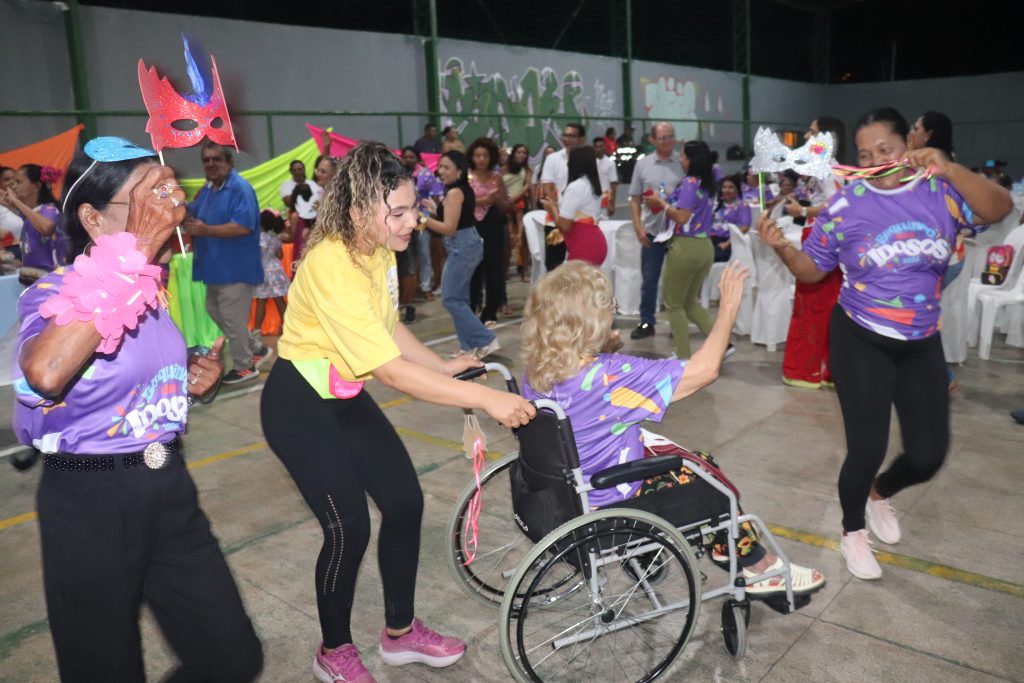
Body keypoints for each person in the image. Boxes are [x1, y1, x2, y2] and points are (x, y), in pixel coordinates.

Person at [259, 141, 536, 683]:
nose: (416, 221)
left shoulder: (377, 249)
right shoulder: (332, 264)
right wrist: (486, 398)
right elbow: (387, 371)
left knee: (405, 503)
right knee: (350, 528)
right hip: (299, 404)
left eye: (415, 208)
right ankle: (333, 651)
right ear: (361, 210)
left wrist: (440, 366)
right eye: (401, 212)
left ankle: (400, 632)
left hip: (342, 394)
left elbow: (385, 326)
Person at [14, 136, 262, 681]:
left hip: (168, 488)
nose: (169, 202)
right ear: (94, 219)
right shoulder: (52, 294)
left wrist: (193, 379)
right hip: (91, 503)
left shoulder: (152, 289)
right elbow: (47, 373)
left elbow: (135, 375)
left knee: (233, 657)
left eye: (168, 187)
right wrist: (142, 244)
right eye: (149, 195)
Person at [758, 107, 1011, 581]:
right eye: (865, 153)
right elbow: (812, 271)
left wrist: (950, 167)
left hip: (921, 341)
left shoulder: (942, 192)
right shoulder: (845, 206)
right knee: (866, 447)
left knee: (928, 454)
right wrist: (780, 245)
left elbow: (1000, 208)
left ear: (909, 148)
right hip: (859, 337)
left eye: (886, 149)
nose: (876, 159)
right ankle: (852, 531)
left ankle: (879, 494)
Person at [520, 261, 825, 596]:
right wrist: (728, 309)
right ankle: (758, 567)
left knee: (695, 461)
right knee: (711, 479)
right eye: (608, 306)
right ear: (591, 322)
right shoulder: (611, 376)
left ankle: (669, 551)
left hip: (569, 490)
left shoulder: (536, 369)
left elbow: (583, 395)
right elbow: (704, 370)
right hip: (612, 495)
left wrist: (600, 348)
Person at [183, 142, 269, 385]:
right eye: (206, 160)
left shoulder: (240, 188)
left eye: (216, 160)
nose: (210, 164)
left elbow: (244, 225)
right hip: (214, 268)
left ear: (229, 163)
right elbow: (192, 214)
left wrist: (205, 229)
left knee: (232, 318)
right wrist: (174, 201)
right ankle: (256, 348)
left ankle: (244, 366)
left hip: (236, 268)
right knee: (215, 311)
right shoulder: (209, 189)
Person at [781, 116, 847, 390]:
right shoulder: (828, 168)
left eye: (812, 132)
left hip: (821, 239)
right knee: (826, 305)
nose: (807, 136)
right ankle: (827, 370)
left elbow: (838, 204)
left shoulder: (827, 169)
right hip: (825, 238)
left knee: (811, 305)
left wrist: (803, 211)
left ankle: (807, 370)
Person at [645, 140, 723, 359]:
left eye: (683, 156)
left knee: (674, 304)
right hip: (705, 246)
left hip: (685, 246)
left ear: (691, 160)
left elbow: (682, 216)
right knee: (689, 302)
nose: (680, 159)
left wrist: (661, 203)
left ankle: (682, 356)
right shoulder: (708, 183)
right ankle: (722, 344)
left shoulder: (690, 182)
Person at [422, 151, 500, 358]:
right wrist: (436, 209)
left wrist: (421, 220)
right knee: (460, 299)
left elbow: (449, 228)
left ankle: (486, 339)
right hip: (466, 244)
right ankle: (468, 346)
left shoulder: (455, 192)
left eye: (447, 167)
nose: (441, 171)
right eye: (440, 166)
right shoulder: (459, 190)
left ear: (459, 170)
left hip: (462, 247)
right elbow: (458, 219)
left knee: (451, 299)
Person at [628, 122, 682, 340]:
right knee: (650, 278)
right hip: (652, 229)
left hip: (678, 230)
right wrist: (638, 227)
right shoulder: (642, 165)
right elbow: (634, 198)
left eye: (671, 137)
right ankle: (647, 321)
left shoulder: (682, 162)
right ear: (652, 140)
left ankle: (677, 323)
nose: (667, 142)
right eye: (662, 138)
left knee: (677, 279)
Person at [466, 137, 509, 327]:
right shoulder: (466, 177)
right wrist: (484, 200)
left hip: (493, 224)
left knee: (494, 269)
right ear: (472, 157)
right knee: (473, 268)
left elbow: (506, 205)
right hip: (472, 224)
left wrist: (497, 200)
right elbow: (462, 203)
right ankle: (472, 305)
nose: (481, 159)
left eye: (485, 155)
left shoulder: (497, 178)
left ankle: (490, 310)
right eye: (477, 155)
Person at [1, 164, 67, 281]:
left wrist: (16, 201)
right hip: (33, 277)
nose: (14, 186)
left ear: (36, 186)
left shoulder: (49, 208)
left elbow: (47, 228)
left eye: (18, 182)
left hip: (52, 278)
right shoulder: (31, 213)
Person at [541, 122, 587, 271]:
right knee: (554, 265)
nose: (567, 139)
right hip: (556, 219)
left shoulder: (588, 160)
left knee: (581, 264)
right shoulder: (553, 159)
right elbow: (547, 187)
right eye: (565, 135)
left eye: (572, 136)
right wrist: (557, 210)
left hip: (581, 219)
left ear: (581, 139)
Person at [555, 145, 607, 266]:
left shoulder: (576, 187)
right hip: (594, 241)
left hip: (583, 243)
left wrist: (551, 208)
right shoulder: (592, 185)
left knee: (576, 284)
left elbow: (565, 226)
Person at [253, 208, 290, 334]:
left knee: (260, 302)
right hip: (275, 272)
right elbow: (280, 255)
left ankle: (257, 330)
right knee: (280, 300)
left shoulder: (257, 238)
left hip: (262, 272)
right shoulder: (274, 237)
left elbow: (255, 256)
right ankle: (287, 327)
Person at [502, 143, 532, 282]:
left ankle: (525, 272)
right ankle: (505, 270)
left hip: (520, 203)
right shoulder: (504, 169)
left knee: (523, 241)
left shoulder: (527, 170)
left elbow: (527, 186)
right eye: (519, 152)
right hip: (504, 204)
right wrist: (506, 199)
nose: (522, 155)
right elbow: (499, 185)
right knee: (507, 241)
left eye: (524, 153)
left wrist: (515, 198)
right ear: (513, 154)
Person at [711, 174, 751, 263]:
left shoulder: (742, 205)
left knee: (711, 257)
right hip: (711, 238)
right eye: (724, 187)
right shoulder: (716, 204)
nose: (726, 190)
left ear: (737, 190)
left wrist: (727, 243)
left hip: (730, 241)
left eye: (730, 187)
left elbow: (745, 227)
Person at [0, 165, 23, 258]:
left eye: (15, 179)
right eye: (7, 179)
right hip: (10, 254)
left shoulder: (26, 199)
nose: (12, 182)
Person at [593, 137, 618, 217]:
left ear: (604, 147)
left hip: (605, 201)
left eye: (600, 146)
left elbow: (613, 184)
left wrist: (612, 203)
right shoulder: (589, 162)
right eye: (596, 146)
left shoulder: (610, 163)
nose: (598, 149)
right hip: (591, 200)